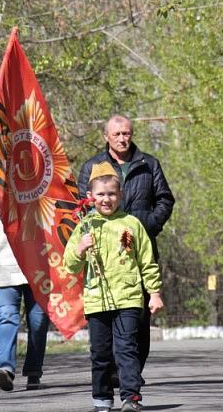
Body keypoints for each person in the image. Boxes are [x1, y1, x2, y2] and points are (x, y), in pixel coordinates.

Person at [77, 115, 175, 376]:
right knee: (107, 317)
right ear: (106, 136)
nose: (123, 138)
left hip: (140, 249)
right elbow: (81, 207)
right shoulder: (92, 166)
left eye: (127, 133)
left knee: (138, 318)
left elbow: (165, 200)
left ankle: (131, 373)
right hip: (104, 256)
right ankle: (113, 374)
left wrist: (147, 224)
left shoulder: (149, 164)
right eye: (117, 134)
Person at [64, 162, 164, 412]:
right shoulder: (85, 226)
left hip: (128, 299)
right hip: (97, 300)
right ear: (90, 197)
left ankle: (131, 397)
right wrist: (80, 249)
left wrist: (154, 292)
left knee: (127, 349)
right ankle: (102, 398)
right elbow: (69, 266)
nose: (106, 199)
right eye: (100, 194)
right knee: (100, 354)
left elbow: (146, 261)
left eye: (111, 194)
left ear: (120, 194)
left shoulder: (132, 224)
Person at [0, 189, 50, 391]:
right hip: (4, 266)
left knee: (38, 321)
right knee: (6, 316)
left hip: (38, 266)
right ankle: (5, 369)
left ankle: (34, 371)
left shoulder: (39, 187)